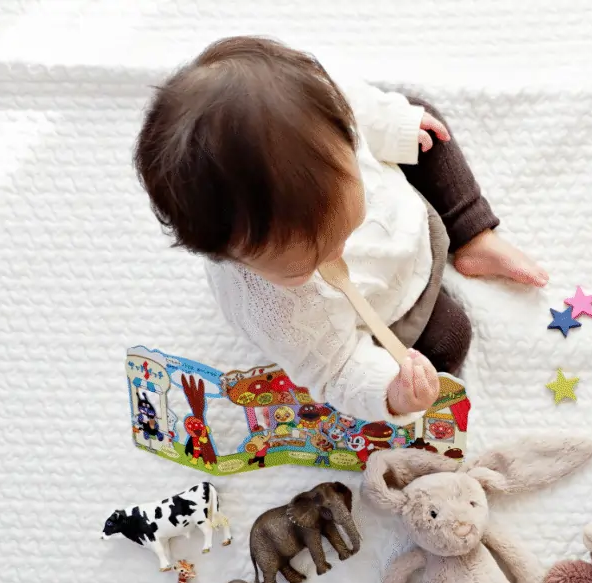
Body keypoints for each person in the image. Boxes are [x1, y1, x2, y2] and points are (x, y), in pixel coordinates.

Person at [134, 36, 547, 425]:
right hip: (387, 306)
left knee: (423, 127)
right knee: (449, 341)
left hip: (408, 218)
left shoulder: (327, 114)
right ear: (226, 255)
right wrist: (391, 393)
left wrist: (396, 126)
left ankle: (474, 236)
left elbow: (362, 108)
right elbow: (336, 369)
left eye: (347, 228)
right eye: (304, 265)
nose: (338, 255)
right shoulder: (277, 312)